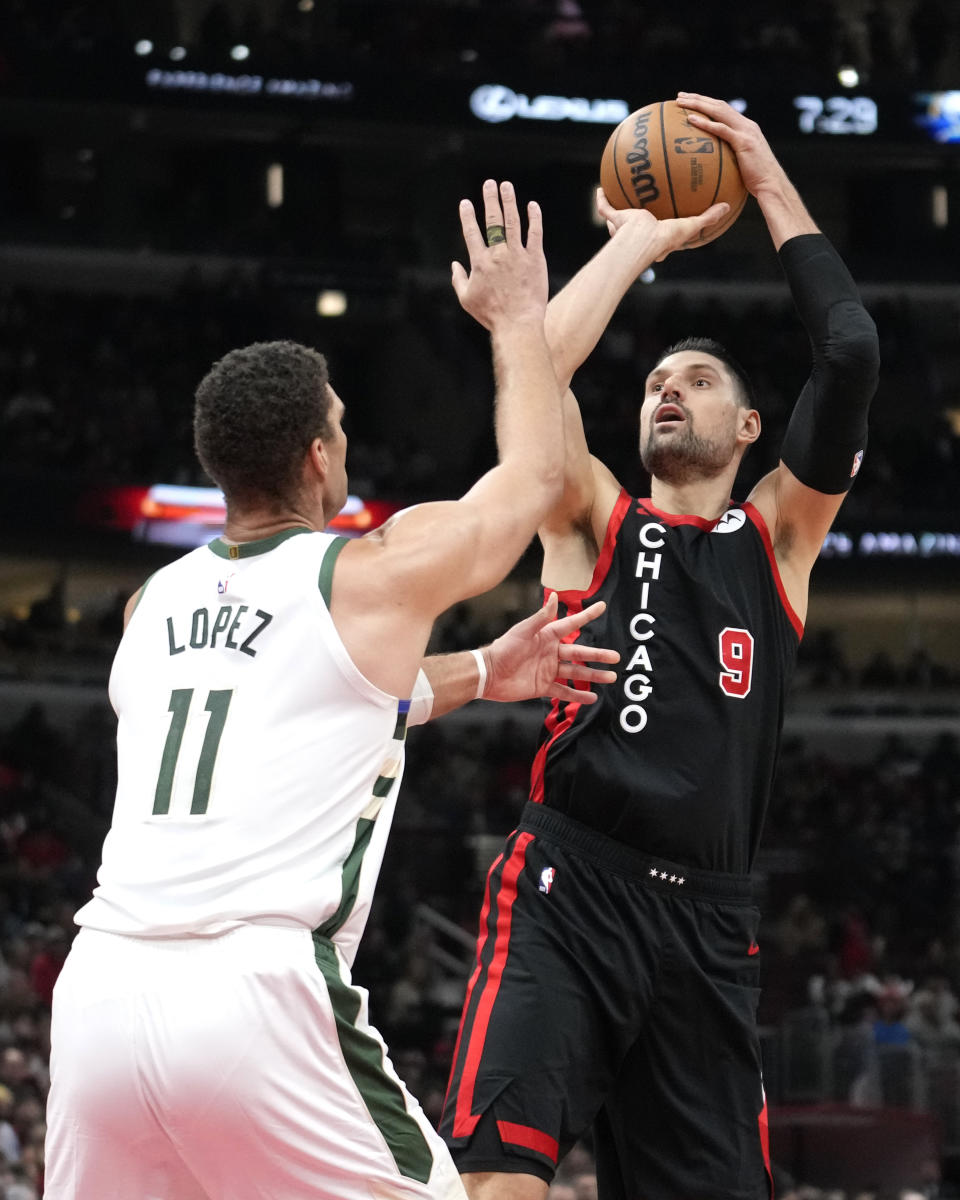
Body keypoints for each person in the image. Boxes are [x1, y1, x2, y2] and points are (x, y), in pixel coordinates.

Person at [42, 180, 717, 1200]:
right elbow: (536, 477)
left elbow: (302, 704)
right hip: (253, 989)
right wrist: (517, 322)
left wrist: (487, 671)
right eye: (343, 427)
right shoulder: (366, 572)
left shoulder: (150, 608)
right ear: (319, 456)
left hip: (98, 992)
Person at [439, 94, 881, 1200]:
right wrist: (636, 238)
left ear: (748, 431)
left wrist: (766, 178)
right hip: (567, 889)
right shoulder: (589, 513)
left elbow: (852, 349)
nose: (666, 388)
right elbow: (533, 377)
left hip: (708, 921)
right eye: (653, 383)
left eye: (696, 382)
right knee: (499, 1184)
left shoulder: (777, 537)